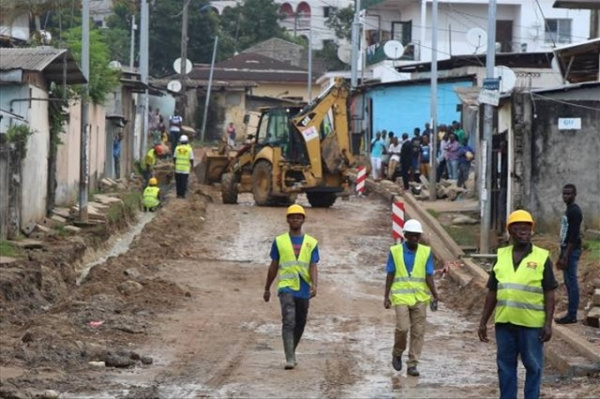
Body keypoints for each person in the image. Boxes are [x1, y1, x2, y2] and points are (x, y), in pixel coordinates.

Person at [478, 210, 556, 399]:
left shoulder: (542, 257)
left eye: (528, 227)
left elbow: (550, 293)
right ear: (510, 231)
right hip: (504, 323)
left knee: (533, 366)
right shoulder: (501, 255)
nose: (525, 231)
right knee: (505, 367)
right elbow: (492, 292)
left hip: (531, 326)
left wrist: (548, 324)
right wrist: (483, 322)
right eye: (519, 227)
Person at [263, 204, 319, 370]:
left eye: (298, 217)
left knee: (300, 322)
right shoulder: (279, 241)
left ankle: (291, 351)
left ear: (303, 220)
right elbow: (273, 266)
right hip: (286, 287)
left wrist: (314, 285)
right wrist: (267, 288)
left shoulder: (311, 242)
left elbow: (313, 265)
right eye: (292, 217)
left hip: (303, 288)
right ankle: (289, 357)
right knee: (289, 320)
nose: (295, 219)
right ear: (287, 220)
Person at [384, 219, 439, 377]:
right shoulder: (395, 251)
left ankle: (413, 364)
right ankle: (397, 352)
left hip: (420, 297)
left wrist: (435, 294)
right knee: (402, 328)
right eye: (412, 235)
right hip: (401, 296)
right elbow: (390, 274)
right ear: (406, 235)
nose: (415, 238)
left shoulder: (426, 252)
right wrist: (386, 296)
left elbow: (428, 275)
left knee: (418, 331)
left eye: (417, 235)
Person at [555, 184, 583, 324]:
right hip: (566, 249)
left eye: (569, 194)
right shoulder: (569, 210)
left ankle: (572, 315)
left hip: (571, 250)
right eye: (564, 194)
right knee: (567, 282)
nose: (566, 196)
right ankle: (570, 313)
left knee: (571, 282)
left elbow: (573, 235)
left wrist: (566, 255)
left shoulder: (575, 212)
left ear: (575, 194)